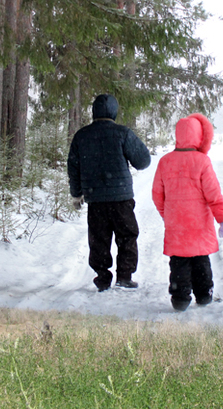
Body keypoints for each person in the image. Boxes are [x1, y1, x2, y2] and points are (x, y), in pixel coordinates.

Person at [67, 94, 151, 292]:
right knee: (127, 236)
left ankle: (102, 278)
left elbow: (73, 167)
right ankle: (124, 276)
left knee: (99, 239)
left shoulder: (82, 135)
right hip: (121, 198)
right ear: (114, 111)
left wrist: (76, 194)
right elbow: (143, 161)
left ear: (94, 111)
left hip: (95, 199)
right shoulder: (122, 133)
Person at [151, 113, 223, 311]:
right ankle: (204, 295)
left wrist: (166, 214)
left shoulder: (165, 162)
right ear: (199, 136)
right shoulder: (202, 161)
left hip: (176, 222)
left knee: (179, 261)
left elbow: (156, 194)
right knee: (201, 258)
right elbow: (214, 194)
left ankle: (179, 298)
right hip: (199, 223)